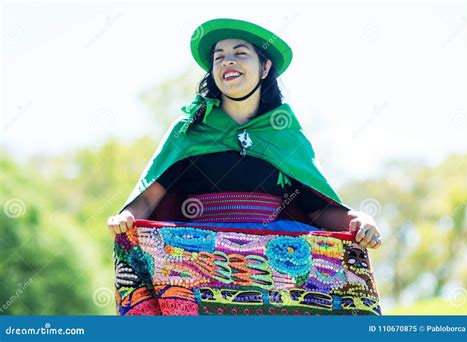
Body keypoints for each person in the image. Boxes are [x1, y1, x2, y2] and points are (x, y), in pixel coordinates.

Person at [107, 18, 382, 316]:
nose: (228, 62)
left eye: (240, 53)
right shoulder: (189, 131)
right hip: (197, 265)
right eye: (219, 56)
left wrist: (360, 220)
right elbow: (149, 198)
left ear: (264, 68)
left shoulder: (285, 136)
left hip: (274, 274)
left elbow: (317, 208)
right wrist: (125, 218)